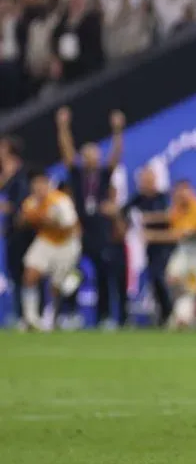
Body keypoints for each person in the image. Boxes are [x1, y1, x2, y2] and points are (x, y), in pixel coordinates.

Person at [56, 107, 124, 329]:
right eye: (86, 155)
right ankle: (69, 313)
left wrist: (118, 131)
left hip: (100, 229)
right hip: (80, 229)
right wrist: (63, 126)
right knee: (72, 272)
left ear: (98, 157)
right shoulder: (77, 175)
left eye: (93, 155)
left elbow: (116, 155)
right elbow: (66, 151)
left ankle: (104, 317)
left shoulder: (104, 175)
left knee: (104, 273)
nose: (90, 158)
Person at [18, 171, 82, 332]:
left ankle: (49, 317)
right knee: (30, 275)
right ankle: (30, 318)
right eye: (36, 186)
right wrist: (27, 220)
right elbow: (22, 222)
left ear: (48, 186)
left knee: (56, 286)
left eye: (42, 185)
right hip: (46, 240)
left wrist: (53, 221)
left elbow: (71, 226)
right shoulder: (30, 203)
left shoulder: (61, 201)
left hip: (66, 243)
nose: (39, 189)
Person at [149, 181, 196, 329]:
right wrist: (144, 218)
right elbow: (166, 217)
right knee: (173, 279)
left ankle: (194, 317)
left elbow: (182, 234)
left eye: (184, 191)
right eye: (178, 192)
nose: (181, 195)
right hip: (184, 252)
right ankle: (182, 314)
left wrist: (151, 235)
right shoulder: (177, 209)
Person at [122, 167, 174, 326]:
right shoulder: (136, 199)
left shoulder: (163, 198)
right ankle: (158, 314)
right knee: (149, 278)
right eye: (144, 180)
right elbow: (124, 215)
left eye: (149, 179)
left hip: (164, 246)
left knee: (160, 277)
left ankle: (168, 313)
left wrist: (146, 219)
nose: (146, 183)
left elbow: (170, 216)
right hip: (144, 247)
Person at [0, 137, 33, 326]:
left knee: (25, 272)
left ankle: (28, 315)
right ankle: (20, 313)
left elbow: (21, 202)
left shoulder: (21, 173)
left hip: (23, 229)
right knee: (14, 273)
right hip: (10, 231)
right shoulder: (5, 173)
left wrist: (8, 207)